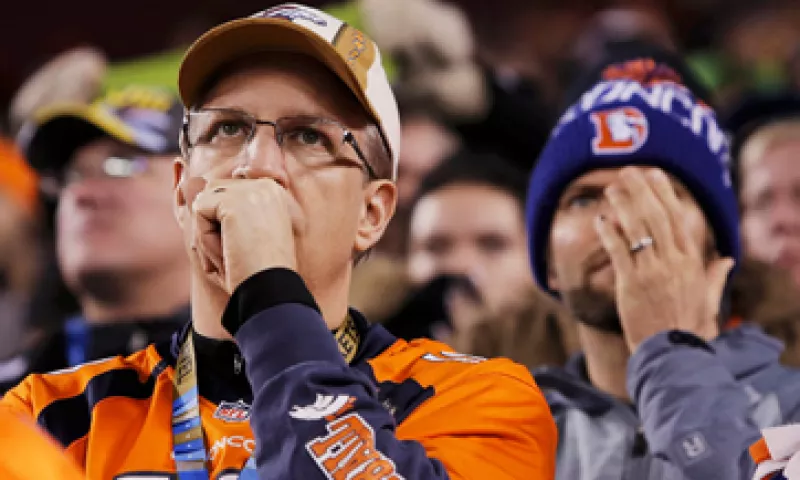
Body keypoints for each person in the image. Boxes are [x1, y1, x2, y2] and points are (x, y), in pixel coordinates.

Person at [3, 5, 557, 479]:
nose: (256, 166)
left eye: (308, 136)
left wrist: (267, 292)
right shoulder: (48, 414)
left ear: (373, 212)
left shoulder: (478, 398)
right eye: (227, 129)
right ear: (181, 191)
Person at [525, 68, 800, 478]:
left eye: (659, 194)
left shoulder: (793, 406)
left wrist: (673, 359)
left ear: (716, 252)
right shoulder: (506, 428)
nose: (621, 218)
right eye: (583, 200)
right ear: (548, 266)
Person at [12, 85, 191, 379]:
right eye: (73, 175)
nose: (82, 193)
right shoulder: (11, 400)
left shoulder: (271, 378)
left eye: (121, 164)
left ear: (198, 192)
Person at [402, 150, 576, 361]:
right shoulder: (361, 364)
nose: (460, 265)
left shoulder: (579, 373)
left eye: (492, 245)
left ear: (537, 262)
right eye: (437, 247)